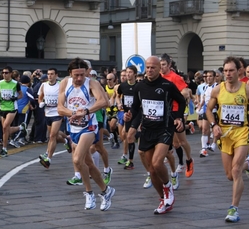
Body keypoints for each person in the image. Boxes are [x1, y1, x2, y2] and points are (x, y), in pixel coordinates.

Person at [124, 56, 185, 214]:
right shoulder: (140, 87)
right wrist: (130, 116)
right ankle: (164, 200)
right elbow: (137, 108)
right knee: (152, 170)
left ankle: (168, 187)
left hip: (164, 128)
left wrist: (178, 117)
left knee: (158, 164)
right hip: (147, 130)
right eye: (148, 67)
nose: (150, 70)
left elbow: (182, 101)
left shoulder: (167, 85)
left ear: (160, 69)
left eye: (153, 67)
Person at [206, 56, 249, 223]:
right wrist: (213, 125)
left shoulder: (248, 90)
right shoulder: (217, 90)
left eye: (231, 70)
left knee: (236, 170)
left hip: (241, 133)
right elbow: (208, 110)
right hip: (225, 135)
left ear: (239, 71)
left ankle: (233, 209)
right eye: (225, 71)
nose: (228, 74)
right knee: (230, 175)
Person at [57, 58, 115, 211]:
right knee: (88, 164)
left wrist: (86, 112)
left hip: (89, 126)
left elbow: (103, 101)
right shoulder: (65, 83)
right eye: (76, 75)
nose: (79, 78)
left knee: (77, 159)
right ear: (70, 74)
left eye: (82, 75)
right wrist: (73, 113)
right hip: (73, 128)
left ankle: (89, 193)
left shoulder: (91, 83)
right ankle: (106, 190)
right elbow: (60, 108)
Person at [38, 68, 71, 168]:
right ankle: (66, 140)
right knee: (55, 135)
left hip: (57, 112)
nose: (49, 76)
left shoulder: (60, 85)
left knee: (52, 136)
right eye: (48, 74)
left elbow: (66, 97)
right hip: (48, 113)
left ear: (56, 75)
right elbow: (40, 96)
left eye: (52, 74)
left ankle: (48, 158)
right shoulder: (44, 85)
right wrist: (40, 103)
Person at [0, 66, 26, 157]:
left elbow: (21, 95)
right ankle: (20, 128)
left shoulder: (15, 83)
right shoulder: (0, 83)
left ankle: (4, 149)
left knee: (5, 127)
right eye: (3, 73)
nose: (4, 74)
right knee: (5, 130)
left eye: (6, 73)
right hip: (2, 107)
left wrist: (15, 98)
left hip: (12, 108)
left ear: (11, 74)